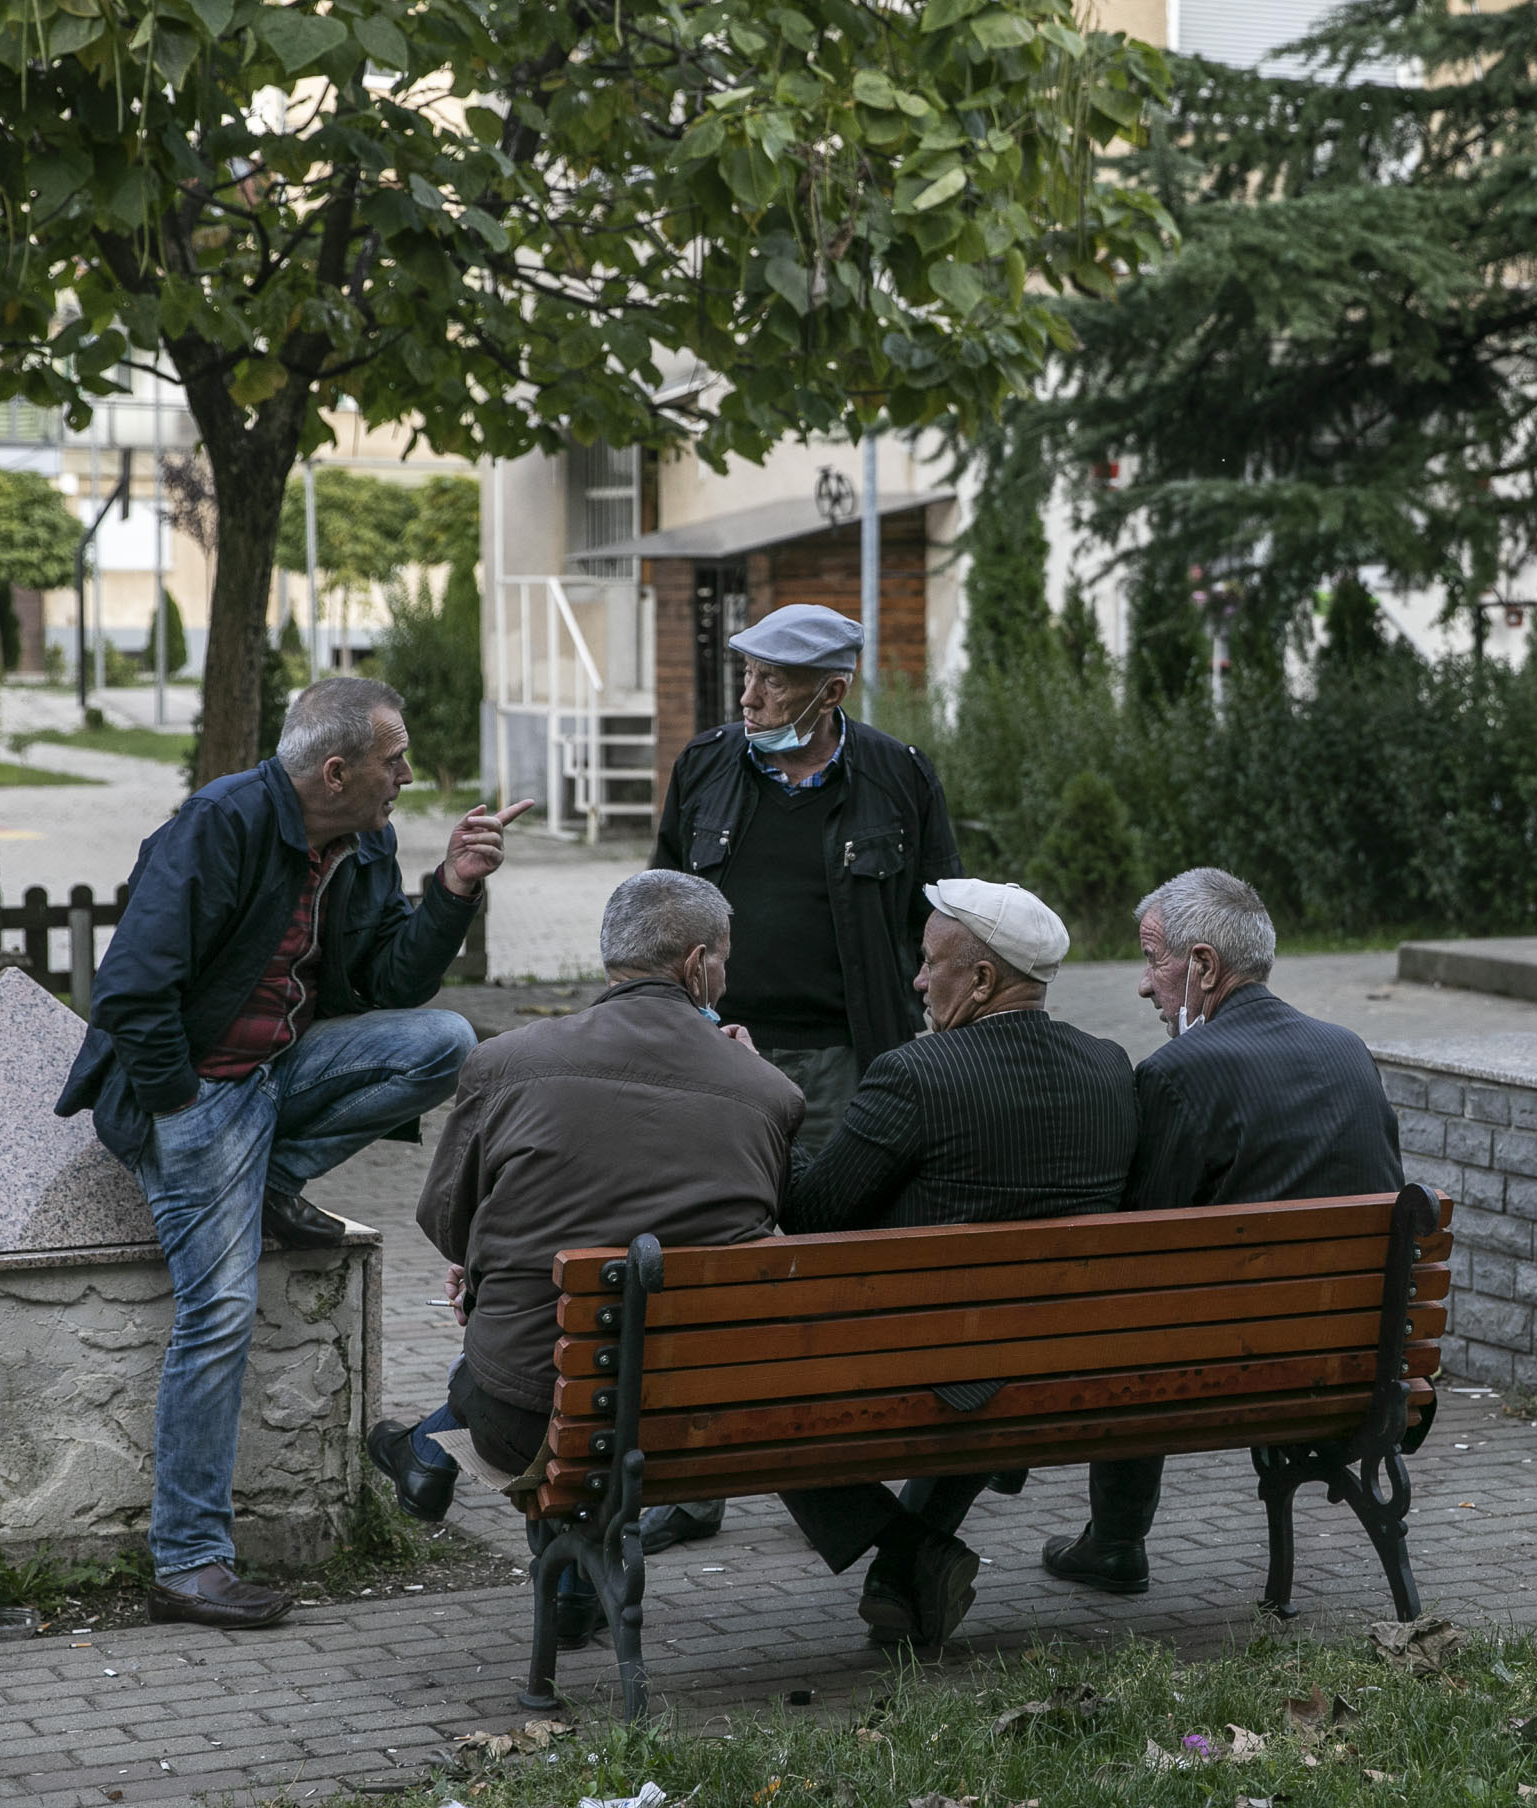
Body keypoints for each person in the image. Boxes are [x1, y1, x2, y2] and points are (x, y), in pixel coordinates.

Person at [56, 677, 530, 1630]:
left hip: (278, 1072)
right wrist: (183, 1110)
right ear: (337, 768)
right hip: (199, 1091)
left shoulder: (363, 840)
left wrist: (451, 890)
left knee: (444, 1043)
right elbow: (130, 991)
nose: (408, 776)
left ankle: (265, 1177)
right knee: (220, 1309)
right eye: (395, 761)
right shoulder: (222, 824)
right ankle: (187, 1560)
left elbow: (389, 977)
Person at [365, 870, 805, 1640]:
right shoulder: (769, 1091)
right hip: (699, 1413)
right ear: (699, 965)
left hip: (534, 1414)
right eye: (725, 961)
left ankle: (441, 1464)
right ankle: (558, 1581)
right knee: (582, 1356)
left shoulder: (506, 1061)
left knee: (524, 1355)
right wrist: (751, 1071)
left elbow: (443, 1219)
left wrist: (486, 1258)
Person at [776, 879, 1135, 1649]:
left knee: (757, 1376)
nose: (915, 979)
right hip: (1074, 1360)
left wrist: (770, 1099)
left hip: (941, 1362)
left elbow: (812, 1216)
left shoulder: (916, 1076)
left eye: (929, 962)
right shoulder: (1110, 1067)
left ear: (980, 981)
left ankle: (910, 1550)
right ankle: (909, 1576)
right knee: (985, 1344)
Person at [1040, 867, 1404, 1595]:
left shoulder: (1178, 1072)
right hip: (1357, 1369)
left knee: (1129, 1323)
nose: (1145, 985)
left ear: (1204, 965)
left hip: (1217, 1378)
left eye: (1153, 960)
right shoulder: (1347, 1049)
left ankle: (1115, 1543)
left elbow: (1136, 1248)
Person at [649, 602, 959, 1160]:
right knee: (723, 1215)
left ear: (831, 693)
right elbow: (658, 912)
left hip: (848, 1058)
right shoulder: (702, 765)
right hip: (719, 1045)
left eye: (772, 680)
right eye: (747, 674)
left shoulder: (898, 776)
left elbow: (941, 919)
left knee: (834, 1229)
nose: (748, 697)